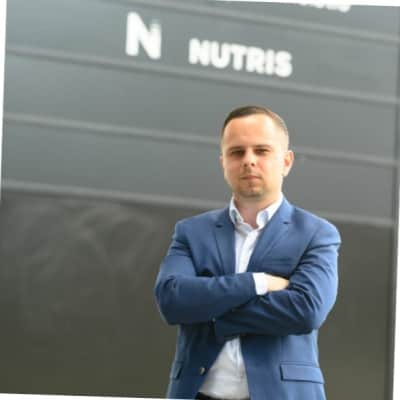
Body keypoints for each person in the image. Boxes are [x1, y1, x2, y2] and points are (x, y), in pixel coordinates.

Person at [154, 105, 340, 400]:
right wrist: (258, 283)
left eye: (262, 151)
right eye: (237, 152)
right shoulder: (191, 232)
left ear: (286, 161)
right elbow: (172, 300)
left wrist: (213, 313)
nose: (249, 160)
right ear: (223, 162)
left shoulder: (316, 234)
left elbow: (306, 310)